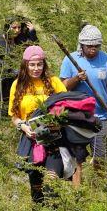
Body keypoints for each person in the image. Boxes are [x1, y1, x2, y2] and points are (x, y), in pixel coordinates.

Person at [9, 46, 67, 203]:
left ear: (44, 64)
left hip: (54, 141)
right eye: (32, 65)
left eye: (39, 64)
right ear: (25, 65)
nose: (36, 68)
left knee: (51, 184)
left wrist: (57, 121)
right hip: (31, 141)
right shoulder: (18, 84)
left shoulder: (54, 82)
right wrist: (22, 126)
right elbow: (14, 116)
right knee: (36, 188)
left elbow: (67, 106)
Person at [60, 24, 107, 171]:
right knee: (76, 158)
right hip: (77, 117)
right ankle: (78, 191)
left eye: (96, 46)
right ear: (82, 44)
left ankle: (99, 187)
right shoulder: (70, 60)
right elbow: (62, 87)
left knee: (100, 158)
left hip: (101, 117)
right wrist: (76, 79)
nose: (93, 49)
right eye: (89, 46)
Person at [0, 17, 38, 102]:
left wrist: (32, 32)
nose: (17, 30)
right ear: (7, 28)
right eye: (14, 28)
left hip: (15, 79)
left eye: (19, 27)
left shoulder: (21, 40)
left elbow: (35, 49)